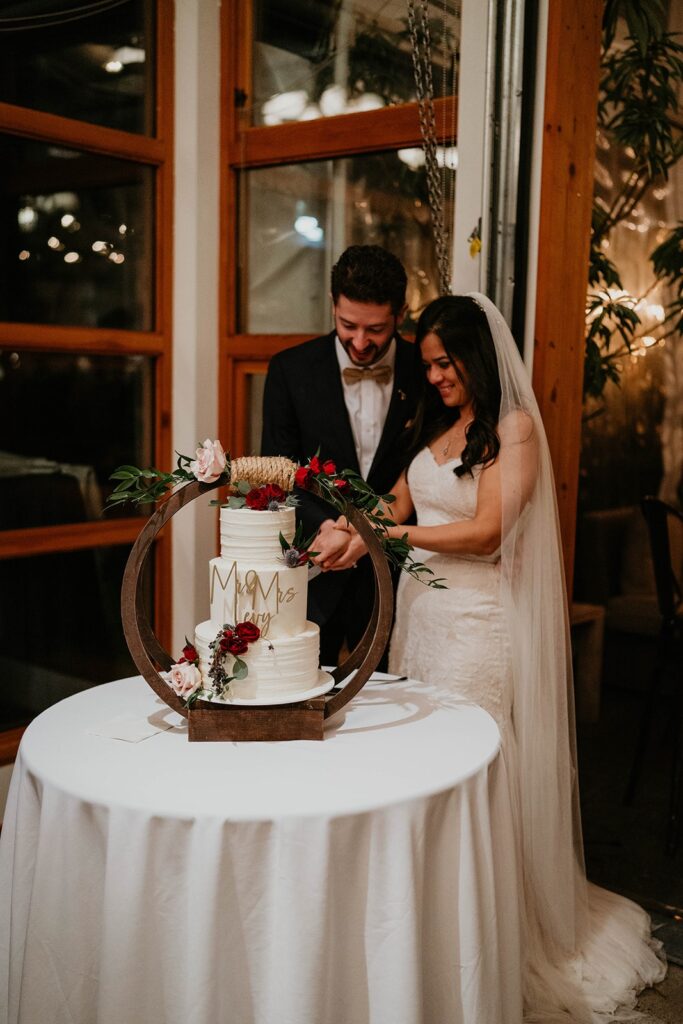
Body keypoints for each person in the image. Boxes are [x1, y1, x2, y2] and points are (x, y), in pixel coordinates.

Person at [327, 293, 666, 1022]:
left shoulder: (514, 431)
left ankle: (485, 935)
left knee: (476, 779)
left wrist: (388, 542)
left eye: (446, 362)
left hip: (478, 630)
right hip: (420, 623)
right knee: (422, 774)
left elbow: (485, 535)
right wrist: (349, 531)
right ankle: (425, 926)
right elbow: (395, 506)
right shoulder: (442, 429)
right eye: (428, 365)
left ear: (477, 356)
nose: (437, 376)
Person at [261, 245, 418, 666]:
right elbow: (279, 471)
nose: (361, 342)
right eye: (348, 325)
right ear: (332, 304)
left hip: (401, 572)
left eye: (377, 329)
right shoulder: (289, 371)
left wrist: (368, 534)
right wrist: (332, 528)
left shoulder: (426, 372)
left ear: (401, 314)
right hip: (317, 565)